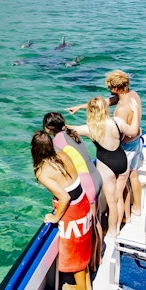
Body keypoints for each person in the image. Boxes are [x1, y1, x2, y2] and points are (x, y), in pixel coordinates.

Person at [67, 70, 143, 222]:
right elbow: (106, 102)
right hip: (137, 141)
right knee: (133, 175)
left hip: (127, 147)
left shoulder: (121, 109)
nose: (108, 89)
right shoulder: (131, 95)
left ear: (115, 88)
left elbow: (118, 135)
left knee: (118, 190)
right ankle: (136, 208)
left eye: (109, 87)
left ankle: (120, 220)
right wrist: (81, 107)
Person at [31, 130, 93, 290]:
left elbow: (64, 197)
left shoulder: (42, 172)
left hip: (72, 210)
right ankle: (88, 287)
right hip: (83, 201)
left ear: (33, 150)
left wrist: (55, 217)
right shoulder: (62, 153)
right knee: (83, 245)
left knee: (74, 251)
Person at [43, 112, 103, 271]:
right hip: (96, 177)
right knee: (95, 221)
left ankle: (92, 264)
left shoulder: (57, 142)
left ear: (49, 129)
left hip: (87, 184)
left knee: (90, 225)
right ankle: (97, 259)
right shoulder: (72, 133)